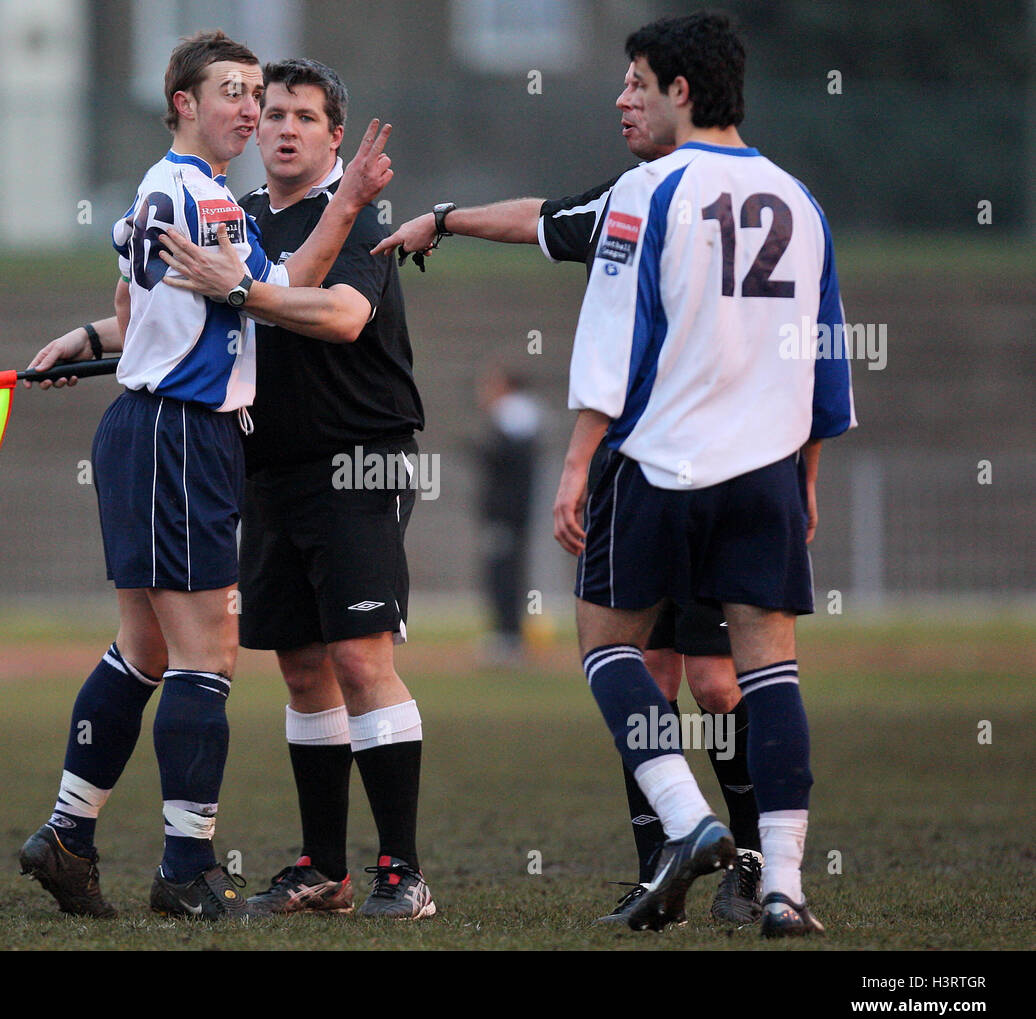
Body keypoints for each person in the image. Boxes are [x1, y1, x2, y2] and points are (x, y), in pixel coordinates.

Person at [386, 10, 852, 936]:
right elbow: (824, 351)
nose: (625, 95)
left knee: (605, 645)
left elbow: (611, 339)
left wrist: (574, 466)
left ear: (681, 90)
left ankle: (686, 824)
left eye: (637, 80)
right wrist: (807, 472)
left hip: (661, 465)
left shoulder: (651, 191)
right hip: (763, 470)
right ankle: (785, 888)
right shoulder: (800, 201)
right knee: (771, 674)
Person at [16, 31, 393, 922]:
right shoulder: (211, 201)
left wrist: (90, 339)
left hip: (146, 431)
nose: (250, 107)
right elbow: (285, 288)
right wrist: (352, 205)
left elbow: (139, 311)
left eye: (257, 92)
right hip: (183, 434)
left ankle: (68, 837)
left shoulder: (165, 190)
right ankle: (186, 868)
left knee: (144, 650)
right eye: (232, 91)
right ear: (183, 103)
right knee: (206, 656)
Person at [154, 58, 434, 920]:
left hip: (359, 460)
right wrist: (82, 340)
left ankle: (403, 872)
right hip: (269, 470)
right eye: (271, 111)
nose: (281, 127)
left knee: (359, 658)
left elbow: (345, 315)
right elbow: (177, 315)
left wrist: (242, 290)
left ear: (333, 136)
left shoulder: (354, 214)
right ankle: (324, 868)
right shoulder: (233, 218)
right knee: (304, 669)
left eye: (305, 117)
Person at [474, 364, 542, 665]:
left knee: (503, 572)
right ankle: (508, 633)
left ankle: (508, 636)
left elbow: (506, 462)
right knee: (507, 570)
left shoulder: (513, 418)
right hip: (514, 512)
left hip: (506, 513)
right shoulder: (522, 418)